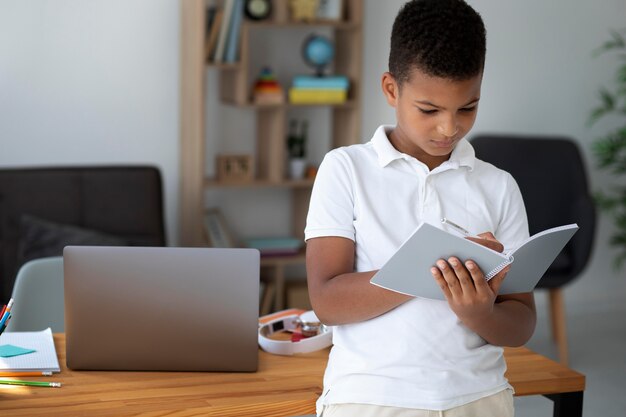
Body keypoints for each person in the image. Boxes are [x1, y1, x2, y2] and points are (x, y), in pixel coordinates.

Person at [304, 0, 537, 416]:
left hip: (478, 398)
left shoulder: (498, 186)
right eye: (429, 110)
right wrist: (428, 267)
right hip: (369, 399)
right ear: (392, 89)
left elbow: (521, 323)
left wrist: (480, 313)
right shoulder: (346, 169)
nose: (449, 128)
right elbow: (327, 301)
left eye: (467, 107)